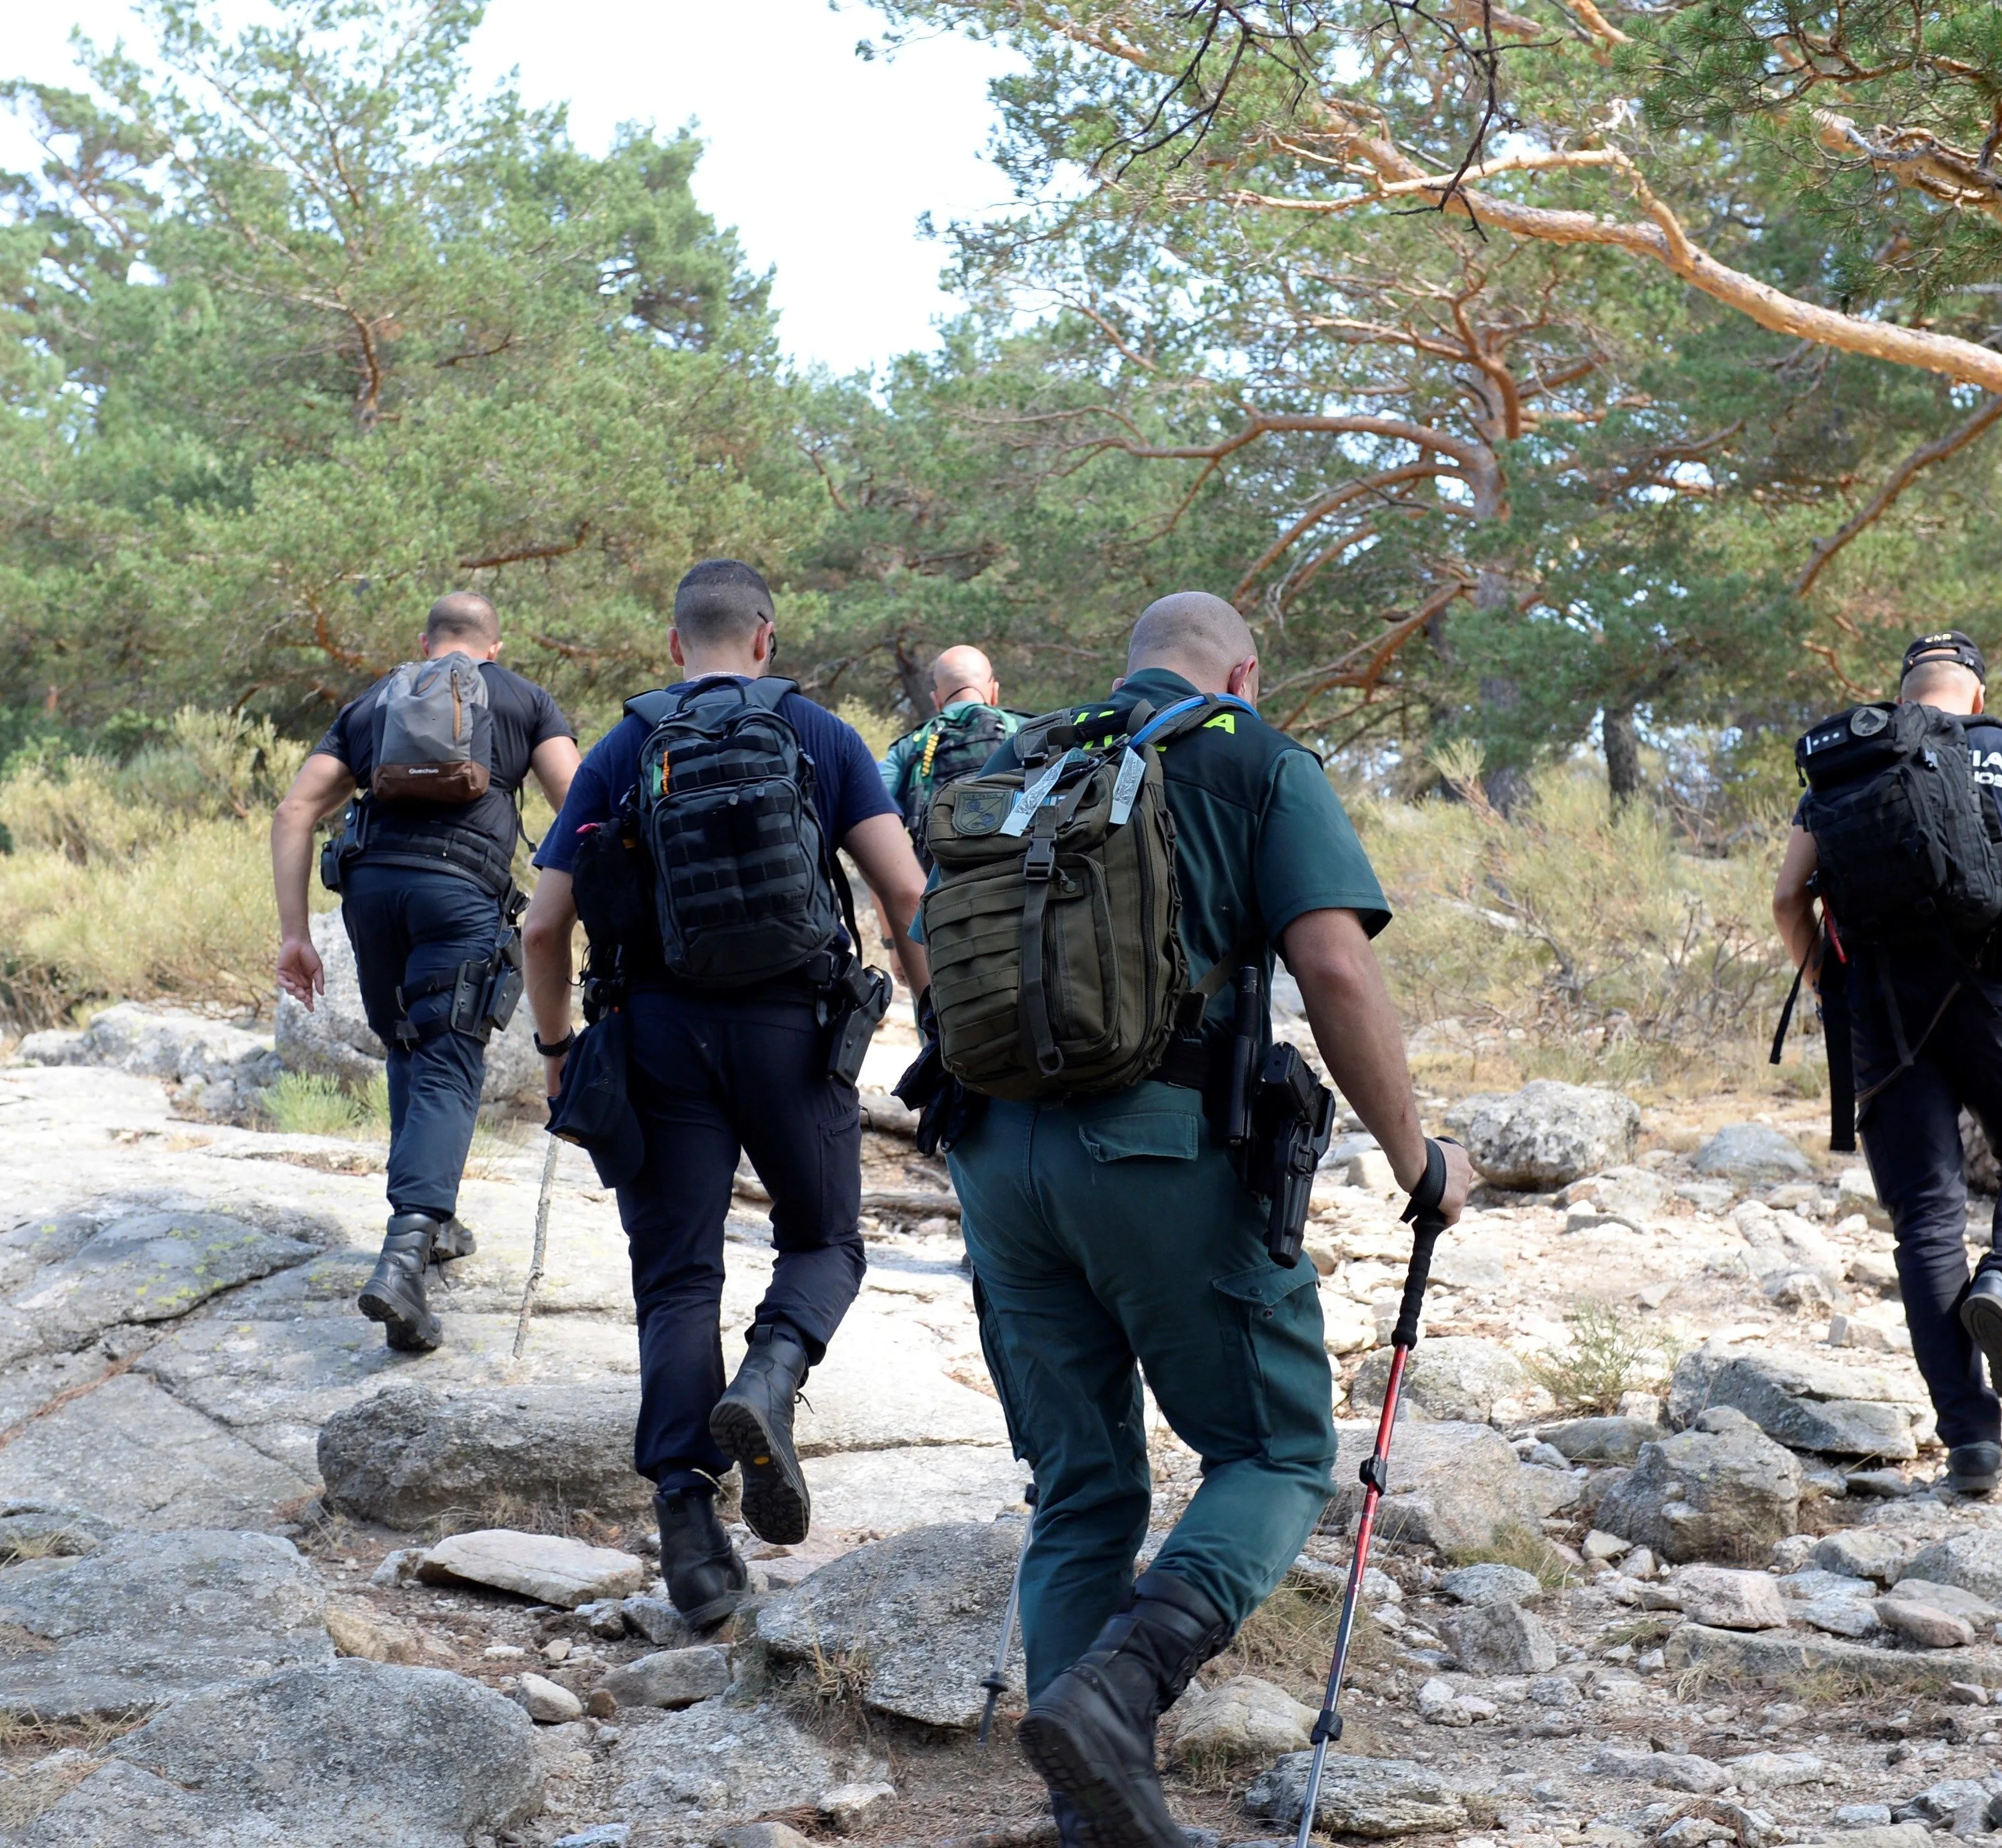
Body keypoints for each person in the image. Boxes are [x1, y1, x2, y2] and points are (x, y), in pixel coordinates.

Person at [939, 591, 1474, 1848]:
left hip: (993, 1156)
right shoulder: (1249, 755)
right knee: (1277, 1451)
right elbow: (1334, 965)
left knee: (1080, 1491)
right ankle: (1120, 1696)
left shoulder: (1021, 752)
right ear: (1237, 670)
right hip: (1153, 1152)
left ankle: (1092, 1818)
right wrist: (1416, 1156)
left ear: (1130, 665)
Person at [519, 559, 932, 1625]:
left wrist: (559, 1045)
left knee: (676, 1276)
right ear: (766, 638)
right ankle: (772, 1374)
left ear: (673, 647)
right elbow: (904, 890)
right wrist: (940, 1022)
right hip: (796, 1034)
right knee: (826, 1241)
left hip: (657, 1037)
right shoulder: (820, 735)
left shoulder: (623, 748)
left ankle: (691, 1535)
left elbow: (541, 925)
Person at [1769, 631, 2002, 1499]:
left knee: (1925, 1221)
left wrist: (1834, 986)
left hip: (1882, 1017)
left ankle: (1970, 1445)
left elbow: (1787, 899)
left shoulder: (1847, 768)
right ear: (1974, 692)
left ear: (1904, 693)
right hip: (1997, 997)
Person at [271, 591, 581, 1354]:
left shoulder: (376, 699)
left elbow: (294, 812)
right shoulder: (523, 699)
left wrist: (290, 935)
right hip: (459, 895)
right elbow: (577, 805)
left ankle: (432, 1224)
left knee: (409, 1042)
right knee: (447, 1056)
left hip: (370, 897)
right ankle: (403, 1257)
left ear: (426, 641)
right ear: (493, 647)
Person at [879, 643, 1022, 831]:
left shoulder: (908, 747)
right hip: (1022, 858)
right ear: (995, 691)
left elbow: (878, 813)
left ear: (937, 700)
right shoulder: (1029, 728)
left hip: (936, 858)